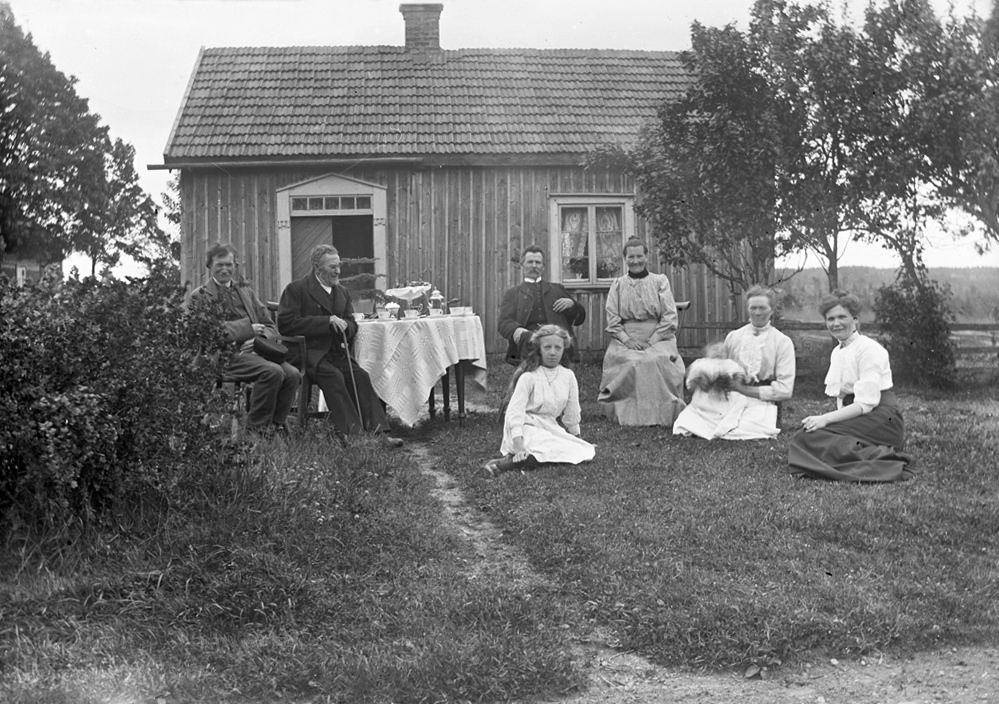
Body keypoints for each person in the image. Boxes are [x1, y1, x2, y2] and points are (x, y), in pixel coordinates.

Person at [277, 244, 400, 445]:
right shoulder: (296, 289)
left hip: (335, 353)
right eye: (332, 267)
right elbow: (286, 324)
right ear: (317, 268)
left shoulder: (341, 292)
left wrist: (346, 327)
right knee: (333, 377)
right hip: (308, 353)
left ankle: (378, 433)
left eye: (339, 266)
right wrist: (325, 322)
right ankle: (355, 436)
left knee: (360, 376)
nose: (338, 271)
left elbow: (352, 322)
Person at [788, 289, 913, 482]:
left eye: (842, 317)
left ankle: (887, 459)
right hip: (860, 416)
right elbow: (842, 397)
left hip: (882, 417)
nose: (836, 323)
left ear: (855, 320)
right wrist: (836, 425)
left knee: (806, 439)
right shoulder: (837, 351)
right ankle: (862, 453)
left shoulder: (870, 349)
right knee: (805, 435)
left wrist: (826, 419)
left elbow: (866, 404)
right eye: (830, 319)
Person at [185, 242, 301, 437]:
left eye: (229, 264)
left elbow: (269, 324)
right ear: (209, 267)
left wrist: (261, 337)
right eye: (219, 265)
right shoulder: (200, 296)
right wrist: (247, 330)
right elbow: (207, 332)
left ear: (235, 265)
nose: (225, 269)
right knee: (272, 371)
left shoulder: (245, 292)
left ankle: (275, 425)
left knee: (293, 374)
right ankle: (256, 430)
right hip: (223, 356)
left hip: (257, 352)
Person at [673, 285, 795, 439]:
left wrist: (744, 390)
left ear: (771, 309)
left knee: (747, 428)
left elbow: (785, 390)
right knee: (689, 422)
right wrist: (708, 380)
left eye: (762, 308)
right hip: (729, 397)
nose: (757, 313)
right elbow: (722, 367)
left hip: (761, 399)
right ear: (747, 309)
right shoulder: (734, 336)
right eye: (753, 308)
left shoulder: (782, 342)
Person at [482, 325, 595, 476]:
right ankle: (503, 465)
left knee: (581, 452)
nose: (552, 352)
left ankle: (515, 460)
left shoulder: (568, 376)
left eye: (558, 348)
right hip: (524, 428)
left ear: (564, 349)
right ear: (539, 349)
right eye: (547, 347)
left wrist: (576, 439)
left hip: (549, 428)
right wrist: (518, 444)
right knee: (544, 449)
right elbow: (514, 413)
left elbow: (572, 411)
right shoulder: (528, 377)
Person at [597, 238, 686, 426]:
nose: (635, 261)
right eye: (631, 257)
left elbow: (669, 315)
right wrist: (626, 340)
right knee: (631, 360)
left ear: (646, 257)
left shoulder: (659, 281)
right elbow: (612, 318)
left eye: (639, 256)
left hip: (659, 337)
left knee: (654, 359)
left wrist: (652, 340)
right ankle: (629, 414)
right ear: (625, 259)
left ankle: (661, 413)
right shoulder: (618, 284)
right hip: (626, 338)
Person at [498, 245, 586, 366]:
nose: (534, 266)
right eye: (530, 262)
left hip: (558, 346)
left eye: (538, 262)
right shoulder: (513, 294)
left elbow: (579, 319)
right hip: (528, 345)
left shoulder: (557, 290)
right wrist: (517, 330)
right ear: (522, 265)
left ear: (543, 267)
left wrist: (573, 305)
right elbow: (503, 323)